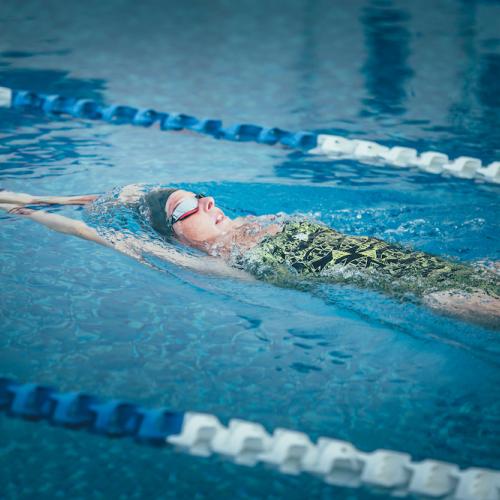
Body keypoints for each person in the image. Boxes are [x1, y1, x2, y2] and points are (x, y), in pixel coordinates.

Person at [1, 186, 499, 328]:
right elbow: (104, 234)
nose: (209, 203)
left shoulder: (236, 227)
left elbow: (129, 195)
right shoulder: (207, 263)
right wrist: (24, 212)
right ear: (172, 237)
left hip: (448, 268)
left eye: (202, 196)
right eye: (190, 208)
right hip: (437, 295)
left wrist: (43, 196)